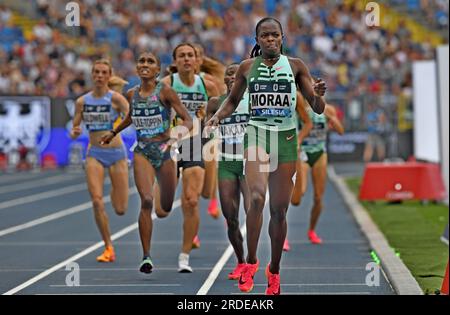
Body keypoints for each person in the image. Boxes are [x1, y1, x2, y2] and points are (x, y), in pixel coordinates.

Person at [206, 17, 326, 295]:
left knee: (279, 211)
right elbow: (233, 101)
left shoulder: (296, 66)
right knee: (257, 196)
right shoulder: (247, 68)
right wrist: (215, 117)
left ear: (282, 37)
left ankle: (274, 270)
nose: (270, 40)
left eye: (275, 35)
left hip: (285, 139)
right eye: (265, 36)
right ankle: (250, 262)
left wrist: (320, 95)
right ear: (257, 40)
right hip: (257, 134)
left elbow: (317, 108)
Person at [100, 52, 192, 273]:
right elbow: (131, 116)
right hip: (142, 151)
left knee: (166, 206)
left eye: (150, 62)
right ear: (137, 67)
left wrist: (174, 137)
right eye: (141, 61)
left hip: (165, 151)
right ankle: (146, 256)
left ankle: (165, 191)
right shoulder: (132, 93)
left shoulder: (166, 91)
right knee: (147, 201)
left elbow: (188, 119)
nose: (144, 64)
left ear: (157, 70)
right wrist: (114, 132)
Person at [160, 43, 219, 272]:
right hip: (171, 142)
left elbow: (221, 111)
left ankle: (184, 255)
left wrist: (210, 119)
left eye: (190, 56)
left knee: (193, 199)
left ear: (197, 60)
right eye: (182, 56)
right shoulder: (166, 85)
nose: (187, 59)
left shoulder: (208, 85)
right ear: (174, 61)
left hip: (196, 142)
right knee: (162, 210)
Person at [70, 59, 130, 263]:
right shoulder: (82, 102)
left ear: (109, 75)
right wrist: (75, 132)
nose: (99, 76)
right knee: (96, 201)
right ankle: (108, 247)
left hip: (116, 154)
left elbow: (132, 117)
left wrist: (116, 129)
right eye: (96, 72)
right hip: (94, 152)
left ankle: (115, 188)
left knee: (120, 209)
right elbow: (74, 129)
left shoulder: (116, 99)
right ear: (92, 74)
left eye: (104, 72)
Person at [206, 63, 250, 280]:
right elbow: (204, 133)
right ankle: (241, 261)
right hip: (226, 163)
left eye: (236, 74)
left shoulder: (252, 101)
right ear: (224, 80)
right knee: (230, 216)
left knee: (252, 214)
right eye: (229, 74)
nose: (232, 77)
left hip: (250, 163)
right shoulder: (216, 103)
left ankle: (251, 261)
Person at [290, 101, 344, 245]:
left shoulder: (328, 108)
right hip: (304, 153)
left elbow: (340, 130)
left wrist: (330, 117)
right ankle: (282, 232)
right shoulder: (299, 107)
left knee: (318, 197)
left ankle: (312, 230)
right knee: (299, 193)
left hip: (320, 153)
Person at [193, 43, 226, 220]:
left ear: (201, 59)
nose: (193, 59)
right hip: (187, 134)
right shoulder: (177, 81)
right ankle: (193, 225)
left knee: (211, 166)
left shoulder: (210, 81)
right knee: (192, 185)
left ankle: (213, 199)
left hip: (208, 131)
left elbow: (222, 103)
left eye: (197, 55)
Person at [282, 92, 313, 252]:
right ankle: (282, 237)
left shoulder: (296, 96)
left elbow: (308, 123)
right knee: (280, 196)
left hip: (294, 148)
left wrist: (298, 140)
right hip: (275, 149)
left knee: (296, 198)